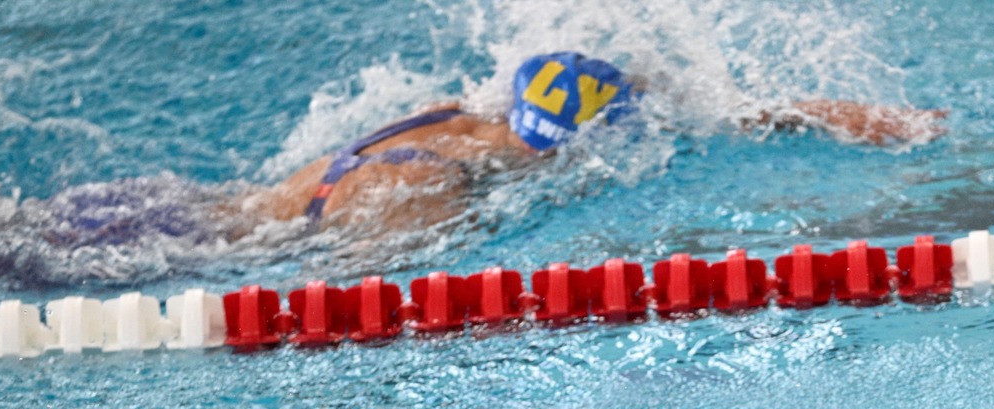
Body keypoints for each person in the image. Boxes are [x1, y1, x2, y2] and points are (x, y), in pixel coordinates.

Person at [238, 50, 941, 231]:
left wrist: (855, 117)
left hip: (255, 203)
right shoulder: (428, 186)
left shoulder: (448, 113)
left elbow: (735, 112)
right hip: (275, 235)